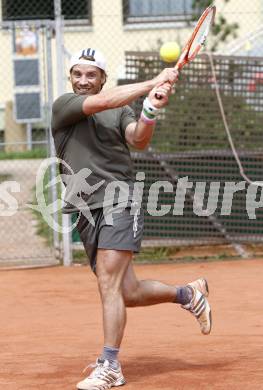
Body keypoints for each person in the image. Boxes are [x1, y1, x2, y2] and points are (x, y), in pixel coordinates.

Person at [51, 48, 212, 390]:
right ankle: (188, 295)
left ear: (102, 78)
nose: (83, 81)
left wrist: (151, 109)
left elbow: (138, 139)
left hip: (118, 200)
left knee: (108, 283)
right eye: (78, 74)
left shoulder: (120, 109)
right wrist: (153, 81)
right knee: (127, 293)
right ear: (71, 78)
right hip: (86, 208)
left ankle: (110, 365)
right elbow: (100, 104)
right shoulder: (64, 106)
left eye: (91, 75)